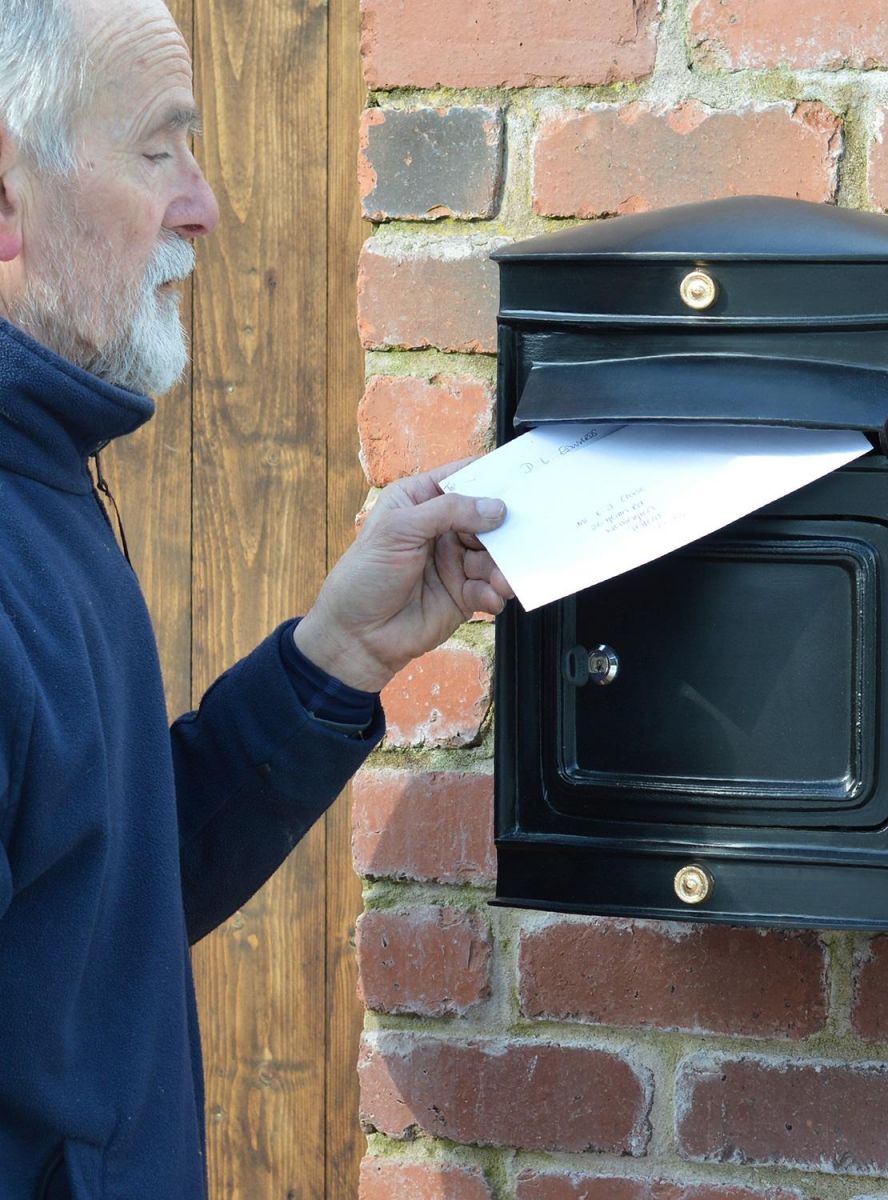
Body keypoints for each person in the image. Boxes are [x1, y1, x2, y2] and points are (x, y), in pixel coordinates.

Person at [0, 0, 513, 1194]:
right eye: (156, 150)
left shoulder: (44, 474)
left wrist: (333, 657)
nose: (203, 204)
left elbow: (99, 911)